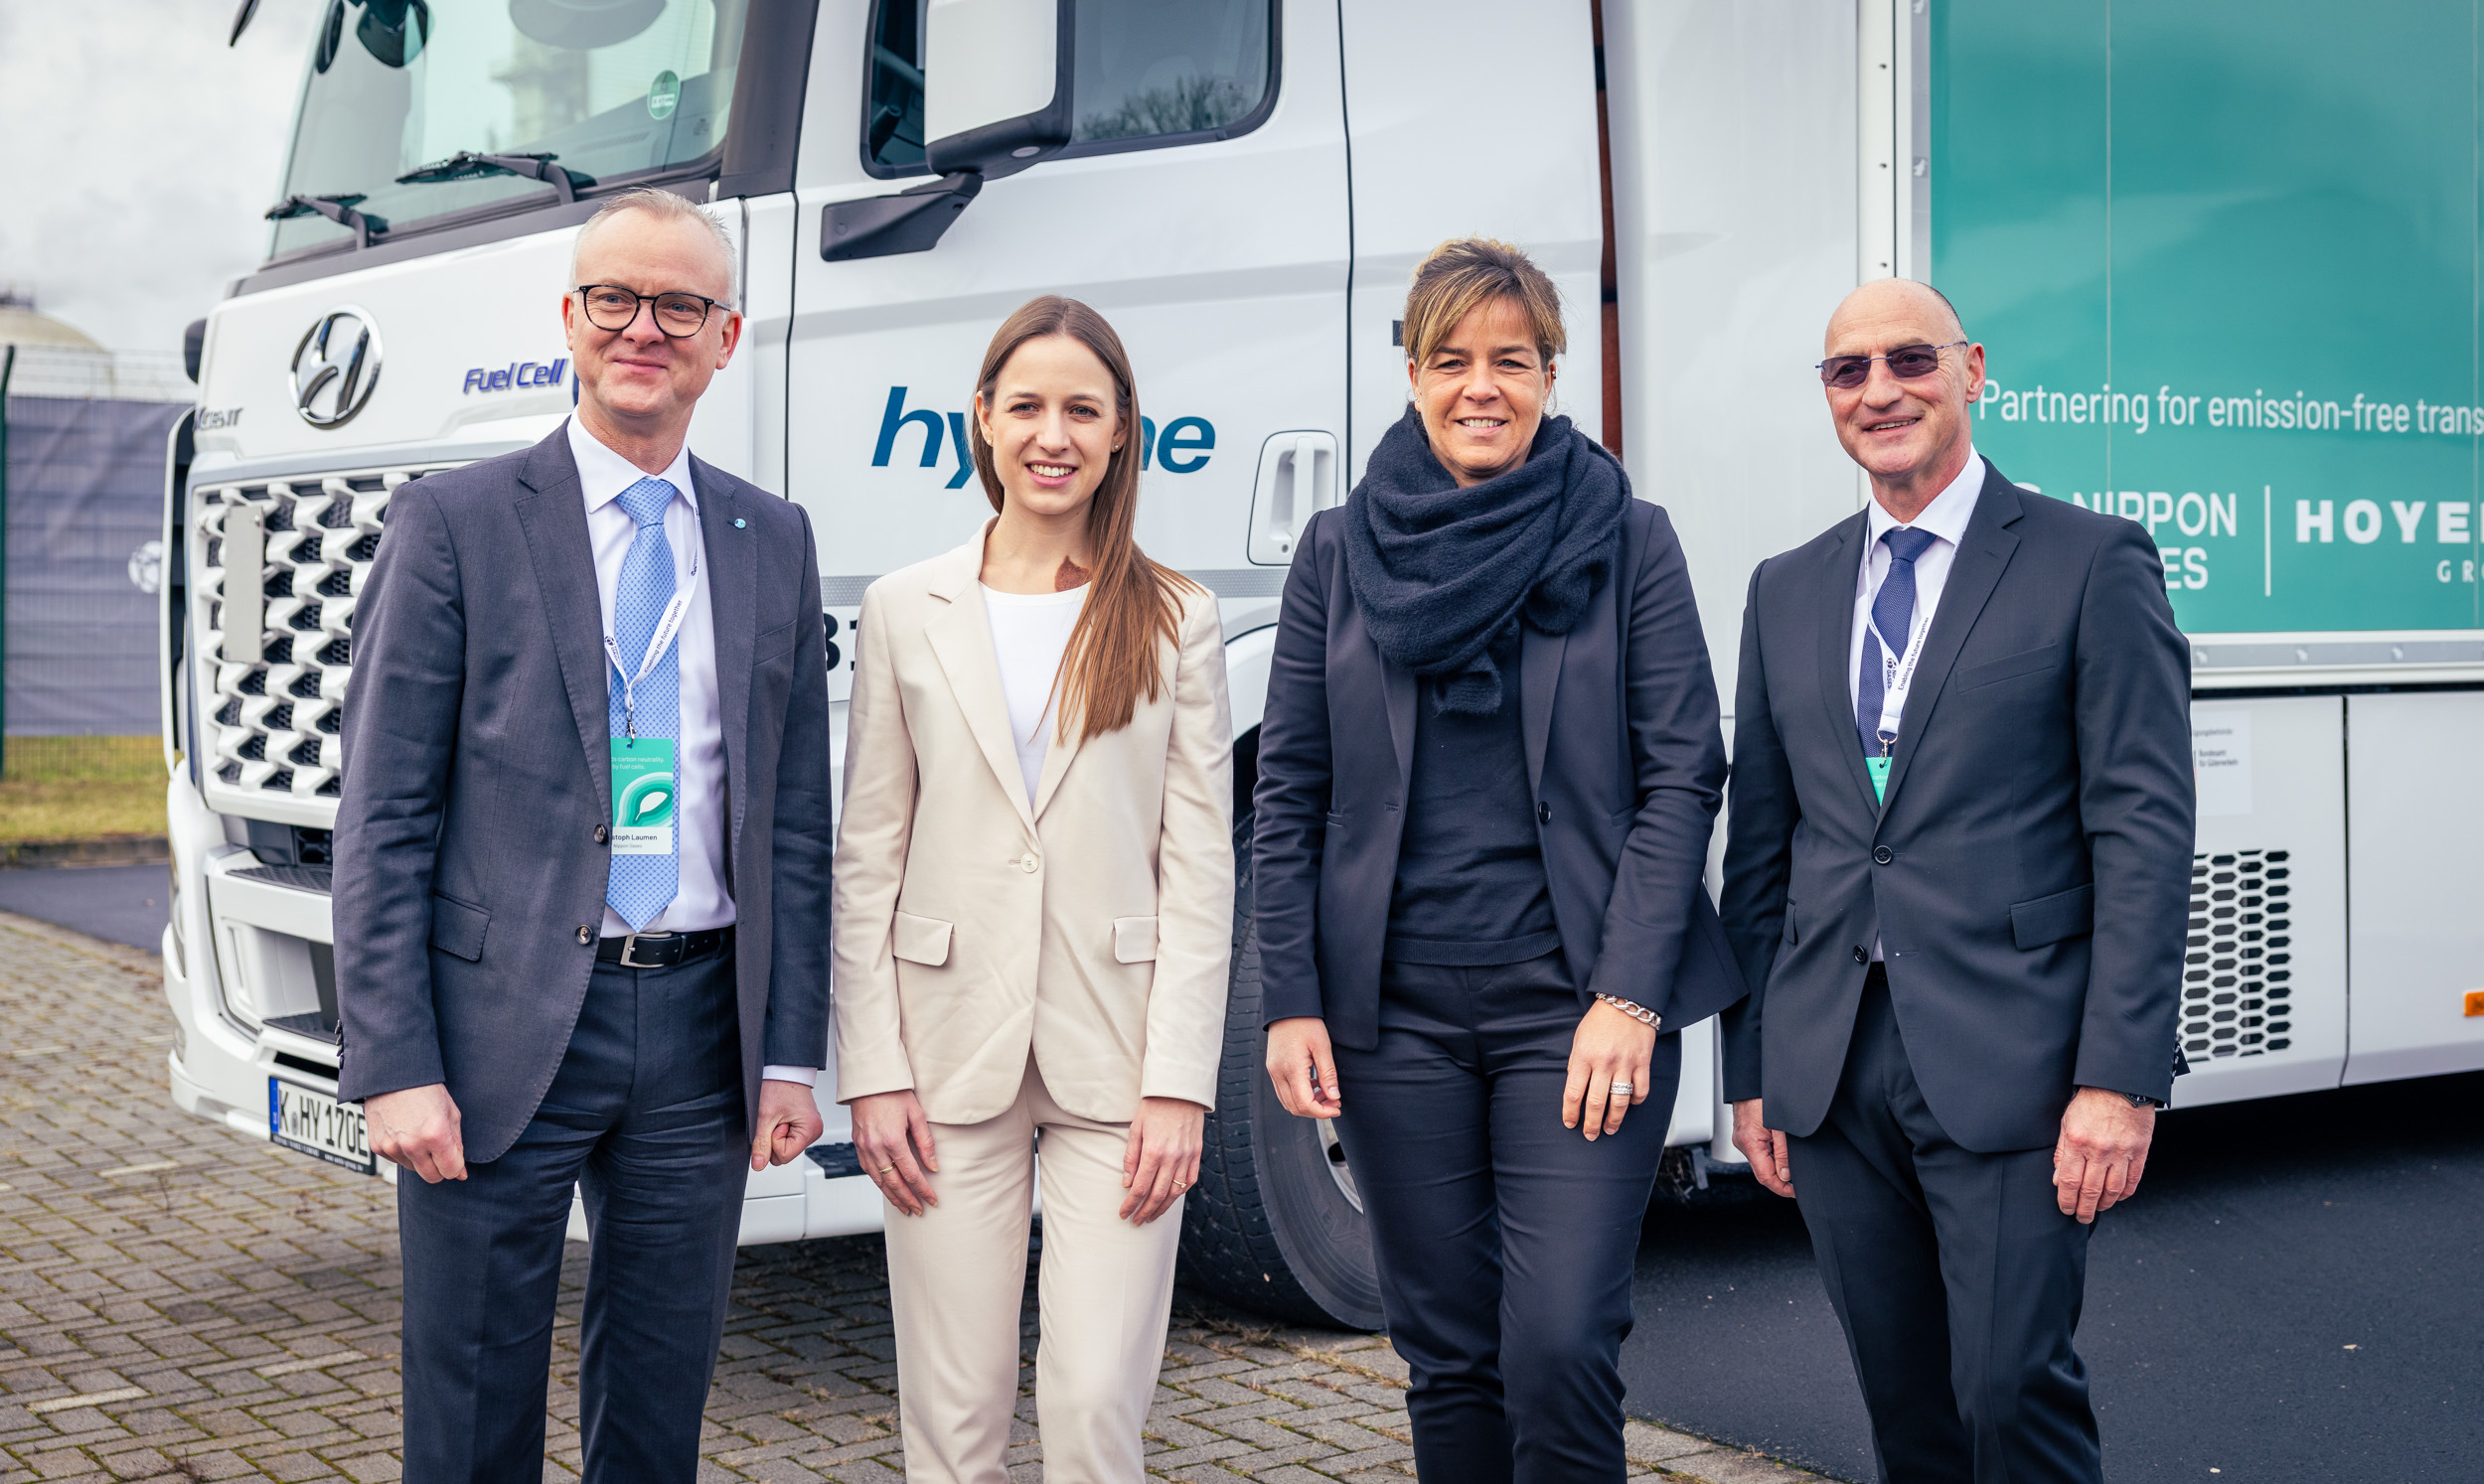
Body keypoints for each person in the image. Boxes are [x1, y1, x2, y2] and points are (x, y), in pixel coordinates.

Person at [332, 187, 835, 1481]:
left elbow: (790, 820)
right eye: (616, 297)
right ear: (570, 317)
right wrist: (394, 1059)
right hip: (501, 1031)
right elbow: (384, 816)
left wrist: (790, 1051)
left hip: (700, 1033)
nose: (644, 327)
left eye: (681, 304)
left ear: (728, 337)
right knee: (472, 1410)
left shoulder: (773, 537)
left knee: (659, 1414)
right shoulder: (452, 525)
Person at [1252, 237, 1747, 1483]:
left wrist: (1628, 996)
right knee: (1448, 1352)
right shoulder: (1337, 550)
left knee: (1561, 1344)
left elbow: (1682, 770)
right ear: (1411, 370)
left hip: (1574, 1014)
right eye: (1452, 359)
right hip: (1392, 1020)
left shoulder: (1627, 536)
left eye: (1512, 360)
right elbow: (1291, 790)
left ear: (1549, 371)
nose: (1482, 386)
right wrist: (1292, 1001)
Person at [1719, 278, 2193, 1483]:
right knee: (1907, 1415)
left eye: (1909, 360)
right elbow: (1763, 847)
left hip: (2016, 1062)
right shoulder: (1785, 588)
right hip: (1832, 1070)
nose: (1879, 390)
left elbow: (2141, 832)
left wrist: (2119, 1079)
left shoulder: (2092, 563)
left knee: (2007, 1396)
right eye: (1847, 371)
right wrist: (1755, 1070)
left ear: (1971, 371)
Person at [831, 296, 1234, 1484]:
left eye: (1081, 409)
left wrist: (1180, 1086)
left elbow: (1201, 867)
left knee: (1093, 1405)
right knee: (952, 1422)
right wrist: (875, 1070)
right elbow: (867, 855)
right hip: (943, 1059)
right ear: (983, 424)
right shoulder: (906, 607)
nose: (1051, 433)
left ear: (1121, 436)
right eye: (1026, 406)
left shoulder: (1174, 616)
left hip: (1119, 1064)